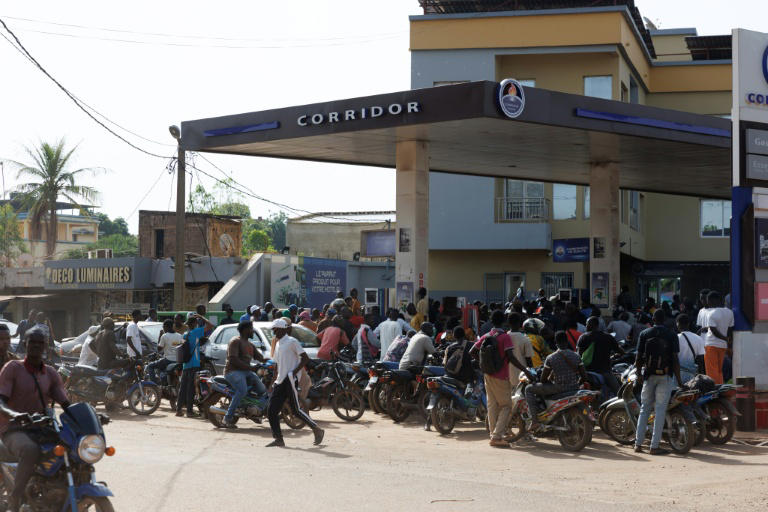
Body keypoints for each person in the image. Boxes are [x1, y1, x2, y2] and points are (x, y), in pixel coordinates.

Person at [0, 330, 71, 512]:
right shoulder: (13, 368)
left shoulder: (51, 374)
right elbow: (1, 400)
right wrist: (14, 415)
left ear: (46, 346)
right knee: (30, 450)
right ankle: (15, 499)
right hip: (13, 429)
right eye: (32, 342)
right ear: (25, 344)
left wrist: (90, 415)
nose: (36, 346)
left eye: (41, 343)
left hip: (41, 428)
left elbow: (66, 403)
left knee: (71, 447)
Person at [469, 310, 532, 447]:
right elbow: (511, 357)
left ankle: (493, 434)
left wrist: (483, 363)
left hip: (487, 374)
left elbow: (472, 351)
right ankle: (497, 437)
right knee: (506, 406)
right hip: (501, 375)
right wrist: (525, 370)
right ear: (503, 322)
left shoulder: (486, 335)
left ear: (492, 321)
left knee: (492, 406)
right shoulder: (504, 337)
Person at [266, 319, 324, 447]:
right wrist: (272, 383)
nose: (273, 331)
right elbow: (277, 364)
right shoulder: (278, 343)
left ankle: (317, 429)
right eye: (273, 329)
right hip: (280, 380)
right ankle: (278, 439)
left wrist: (293, 372)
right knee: (271, 411)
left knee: (295, 410)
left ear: (282, 329)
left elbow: (305, 358)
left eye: (275, 329)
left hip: (290, 380)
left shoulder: (292, 342)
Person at [634, 310, 683, 455]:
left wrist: (639, 374)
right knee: (660, 410)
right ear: (665, 319)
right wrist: (679, 381)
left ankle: (638, 444)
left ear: (653, 319)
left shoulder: (644, 334)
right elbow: (675, 359)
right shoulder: (671, 335)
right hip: (665, 375)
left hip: (648, 376)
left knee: (644, 409)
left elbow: (638, 357)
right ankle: (654, 446)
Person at [525, 331, 589, 432]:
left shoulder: (551, 357)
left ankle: (535, 421)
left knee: (528, 389)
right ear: (567, 341)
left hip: (559, 388)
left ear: (556, 342)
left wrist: (550, 378)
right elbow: (584, 377)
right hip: (574, 388)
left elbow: (543, 379)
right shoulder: (576, 356)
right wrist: (576, 383)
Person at [223, 321, 267, 428]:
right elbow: (233, 359)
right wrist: (251, 368)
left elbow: (260, 358)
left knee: (262, 390)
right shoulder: (235, 341)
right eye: (251, 328)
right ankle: (227, 418)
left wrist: (272, 362)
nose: (253, 331)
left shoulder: (250, 345)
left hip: (247, 372)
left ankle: (254, 411)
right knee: (242, 390)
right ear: (245, 330)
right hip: (233, 371)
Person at [577, 317, 624, 395]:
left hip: (587, 372)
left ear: (590, 325)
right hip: (605, 371)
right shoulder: (608, 337)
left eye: (587, 324)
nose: (586, 326)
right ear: (597, 325)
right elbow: (620, 351)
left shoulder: (583, 337)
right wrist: (617, 354)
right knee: (619, 393)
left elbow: (578, 355)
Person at [700, 291, 733, 385]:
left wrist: (724, 338)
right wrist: (727, 339)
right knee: (719, 371)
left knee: (712, 372)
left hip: (711, 345)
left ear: (711, 300)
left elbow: (713, 330)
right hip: (723, 346)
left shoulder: (712, 313)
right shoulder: (729, 312)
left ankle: (715, 392)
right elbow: (730, 328)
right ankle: (720, 390)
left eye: (708, 301)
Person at [176, 316, 203, 418]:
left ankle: (179, 410)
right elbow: (210, 326)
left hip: (185, 364)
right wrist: (201, 317)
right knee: (191, 388)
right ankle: (189, 411)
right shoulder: (196, 332)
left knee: (183, 388)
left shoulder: (185, 335)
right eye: (196, 322)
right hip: (194, 363)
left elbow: (183, 348)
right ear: (195, 323)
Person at [676, 314, 705, 384]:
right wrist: (701, 377)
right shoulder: (699, 339)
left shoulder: (675, 338)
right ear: (688, 324)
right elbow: (701, 360)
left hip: (677, 376)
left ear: (677, 324)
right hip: (692, 376)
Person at [508, 314, 534, 390]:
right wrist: (532, 374)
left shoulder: (505, 337)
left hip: (507, 377)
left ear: (508, 323)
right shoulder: (525, 339)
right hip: (522, 377)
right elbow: (529, 361)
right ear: (519, 323)